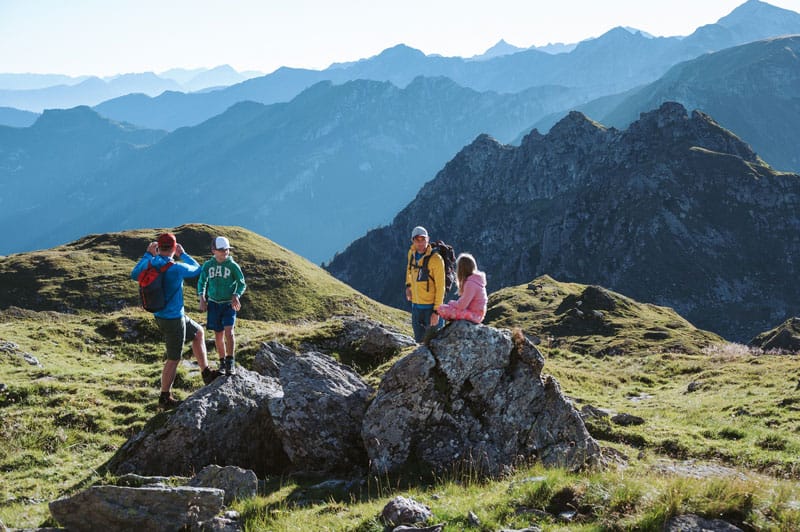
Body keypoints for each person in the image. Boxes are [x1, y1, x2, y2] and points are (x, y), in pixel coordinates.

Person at [130, 232, 220, 409]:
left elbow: (134, 274)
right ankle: (165, 397)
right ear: (173, 247)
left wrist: (148, 254)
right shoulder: (176, 267)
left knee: (198, 333)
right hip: (174, 319)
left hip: (161, 315)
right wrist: (183, 254)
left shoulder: (151, 262)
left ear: (158, 247)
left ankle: (206, 373)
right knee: (173, 358)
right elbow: (197, 269)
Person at [198, 236, 246, 376]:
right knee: (218, 335)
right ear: (213, 250)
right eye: (221, 250)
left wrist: (236, 295)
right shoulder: (208, 265)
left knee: (229, 332)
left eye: (227, 249)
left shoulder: (232, 266)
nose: (225, 252)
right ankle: (222, 362)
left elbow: (241, 283)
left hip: (228, 304)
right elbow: (202, 282)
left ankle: (230, 361)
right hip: (213, 304)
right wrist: (202, 298)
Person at [405, 226, 445, 343]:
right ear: (412, 241)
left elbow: (440, 287)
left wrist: (436, 312)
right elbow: (409, 270)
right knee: (419, 344)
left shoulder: (436, 259)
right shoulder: (411, 254)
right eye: (417, 239)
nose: (420, 243)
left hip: (431, 310)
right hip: (416, 309)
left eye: (423, 239)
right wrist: (408, 286)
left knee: (436, 345)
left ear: (428, 239)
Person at [435, 253, 487, 324]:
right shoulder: (476, 280)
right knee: (446, 307)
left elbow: (462, 305)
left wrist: (452, 303)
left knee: (441, 309)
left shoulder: (470, 284)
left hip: (474, 315)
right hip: (477, 315)